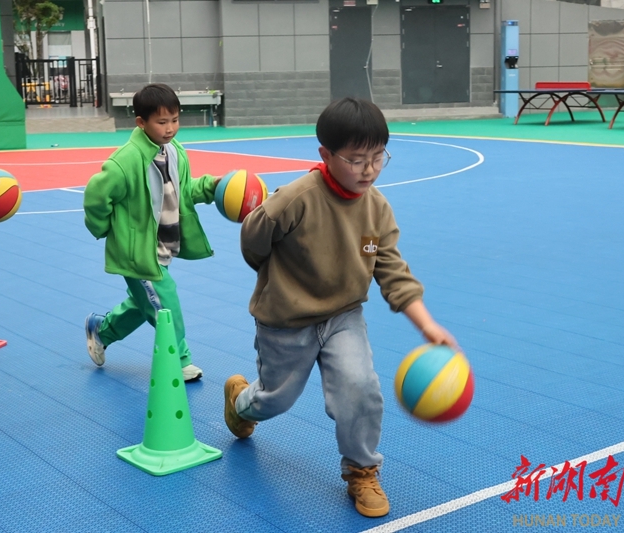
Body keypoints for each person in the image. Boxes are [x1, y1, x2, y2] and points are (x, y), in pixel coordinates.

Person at [223, 98, 460, 518]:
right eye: (356, 159)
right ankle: (241, 401)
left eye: (378, 157)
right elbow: (254, 243)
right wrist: (280, 280)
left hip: (342, 316)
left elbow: (393, 271)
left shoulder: (377, 208)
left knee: (360, 387)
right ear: (326, 155)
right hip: (285, 321)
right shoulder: (294, 200)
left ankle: (361, 471)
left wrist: (426, 325)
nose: (369, 169)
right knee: (276, 400)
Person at [83, 83, 219, 382]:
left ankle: (102, 330)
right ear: (141, 122)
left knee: (144, 302)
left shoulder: (175, 152)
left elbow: (183, 191)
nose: (170, 128)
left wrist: (212, 187)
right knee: (166, 302)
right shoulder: (126, 160)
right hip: (138, 253)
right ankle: (180, 359)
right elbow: (95, 196)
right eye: (162, 122)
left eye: (175, 120)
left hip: (163, 247)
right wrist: (106, 229)